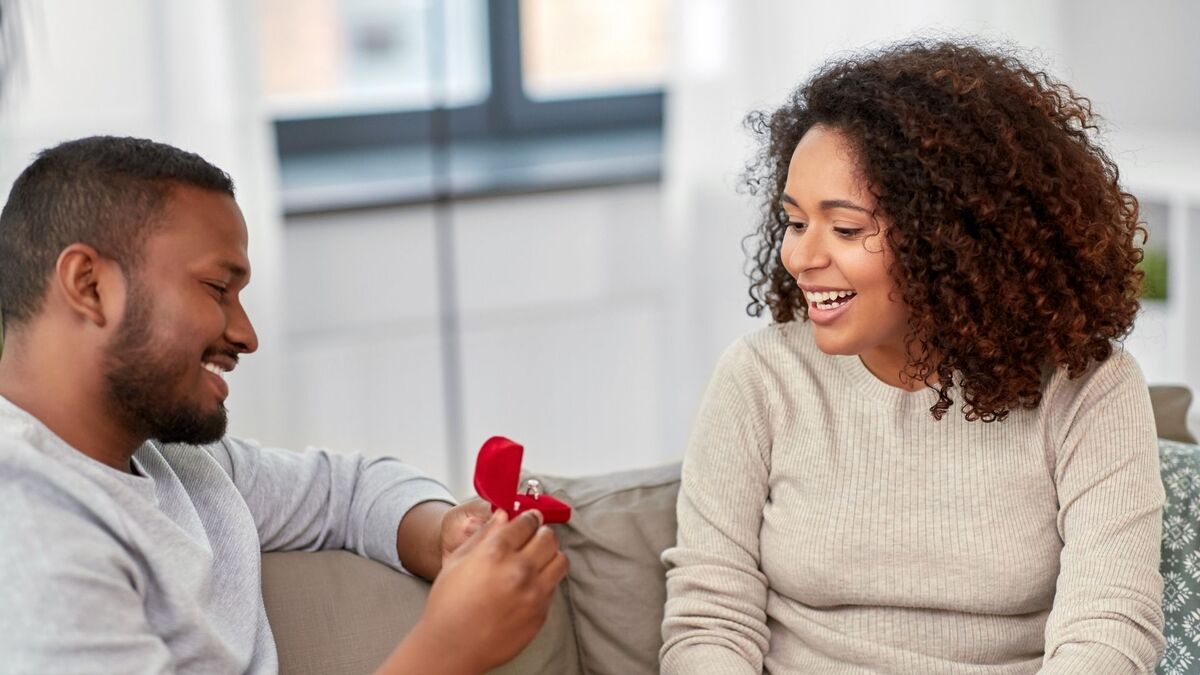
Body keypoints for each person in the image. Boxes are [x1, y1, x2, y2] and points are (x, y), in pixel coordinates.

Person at [661, 40, 1165, 673]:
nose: (801, 258)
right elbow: (709, 622)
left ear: (952, 237)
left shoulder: (1089, 388)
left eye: (845, 229)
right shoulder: (761, 378)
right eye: (793, 222)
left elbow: (1109, 630)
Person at [0, 136, 568, 674]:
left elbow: (344, 490)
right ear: (90, 285)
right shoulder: (28, 528)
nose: (246, 335)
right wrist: (451, 646)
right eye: (218, 289)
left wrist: (443, 534)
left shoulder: (173, 465)